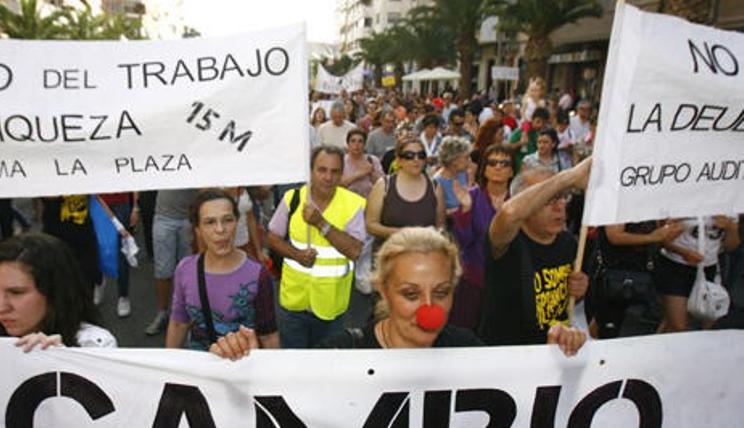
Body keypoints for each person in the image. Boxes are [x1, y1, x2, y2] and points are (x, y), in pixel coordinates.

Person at [210, 227, 585, 357]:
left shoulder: (468, 351)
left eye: (441, 292)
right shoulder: (341, 355)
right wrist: (248, 363)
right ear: (383, 294)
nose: (429, 310)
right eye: (409, 293)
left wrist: (557, 361)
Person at [480, 159, 592, 346]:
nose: (560, 206)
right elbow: (509, 213)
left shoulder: (568, 242)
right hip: (510, 355)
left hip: (554, 353)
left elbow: (567, 300)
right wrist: (569, 177)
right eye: (549, 199)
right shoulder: (506, 241)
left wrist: (579, 290)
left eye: (562, 197)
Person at [267, 145, 366, 348]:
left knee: (325, 368)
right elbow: (272, 237)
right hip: (293, 303)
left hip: (330, 307)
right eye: (322, 170)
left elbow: (355, 251)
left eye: (334, 171)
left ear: (341, 174)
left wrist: (321, 224)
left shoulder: (353, 204)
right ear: (311, 171)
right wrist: (296, 255)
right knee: (294, 365)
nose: (328, 177)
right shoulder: (293, 198)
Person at [165, 190, 279, 352]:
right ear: (198, 230)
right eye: (210, 222)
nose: (220, 229)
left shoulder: (258, 274)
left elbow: (268, 335)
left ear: (237, 223)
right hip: (200, 371)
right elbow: (178, 323)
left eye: (228, 220)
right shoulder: (185, 269)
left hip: (244, 368)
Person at [449, 144, 515, 330]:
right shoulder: (471, 197)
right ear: (484, 169)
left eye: (504, 163)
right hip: (473, 280)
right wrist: (466, 210)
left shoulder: (518, 201)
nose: (498, 167)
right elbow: (462, 242)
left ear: (511, 171)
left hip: (507, 282)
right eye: (492, 162)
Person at [589, 221, 684, 338]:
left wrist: (668, 233)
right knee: (607, 326)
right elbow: (614, 236)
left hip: (642, 274)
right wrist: (653, 237)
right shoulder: (621, 204)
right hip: (614, 273)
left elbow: (660, 235)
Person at [656, 216, 741, 331]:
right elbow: (660, 239)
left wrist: (731, 227)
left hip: (710, 267)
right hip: (676, 265)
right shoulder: (679, 203)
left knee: (710, 318)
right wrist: (683, 253)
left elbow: (731, 246)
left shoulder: (729, 208)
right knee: (678, 326)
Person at [366, 135, 445, 244]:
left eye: (421, 155)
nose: (416, 160)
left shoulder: (435, 187)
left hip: (423, 253)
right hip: (389, 254)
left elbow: (440, 226)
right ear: (399, 160)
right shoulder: (383, 185)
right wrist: (405, 233)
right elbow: (371, 225)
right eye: (409, 156)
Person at [146, 189, 198, 335]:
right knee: (163, 270)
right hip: (164, 217)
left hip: (188, 217)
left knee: (188, 270)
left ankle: (188, 314)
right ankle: (162, 313)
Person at [97, 191, 140, 317]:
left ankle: (123, 295)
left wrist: (135, 207)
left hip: (120, 202)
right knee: (98, 246)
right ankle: (98, 281)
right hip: (97, 200)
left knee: (120, 250)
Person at [432, 136, 471, 229]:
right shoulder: (437, 182)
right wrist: (464, 208)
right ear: (454, 160)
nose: (469, 160)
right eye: (466, 157)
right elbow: (439, 214)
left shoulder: (463, 173)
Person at [341, 128, 384, 200]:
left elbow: (382, 184)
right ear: (348, 144)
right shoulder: (341, 161)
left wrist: (371, 172)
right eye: (353, 141)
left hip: (370, 202)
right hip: (347, 202)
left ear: (364, 144)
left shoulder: (373, 160)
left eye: (360, 141)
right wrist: (361, 173)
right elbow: (339, 185)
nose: (356, 145)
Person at [508, 107, 550, 172]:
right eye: (538, 121)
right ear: (532, 119)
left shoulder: (543, 134)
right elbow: (508, 147)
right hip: (519, 171)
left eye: (544, 123)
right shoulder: (520, 131)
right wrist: (520, 143)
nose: (540, 125)